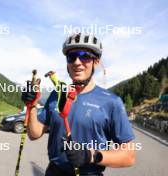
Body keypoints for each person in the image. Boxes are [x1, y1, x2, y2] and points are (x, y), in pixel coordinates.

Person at [22, 33, 136, 176]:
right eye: (71, 57)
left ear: (96, 62)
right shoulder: (57, 94)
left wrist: (90, 155)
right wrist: (31, 106)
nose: (77, 62)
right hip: (54, 172)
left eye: (84, 56)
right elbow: (34, 134)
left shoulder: (112, 102)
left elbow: (129, 156)